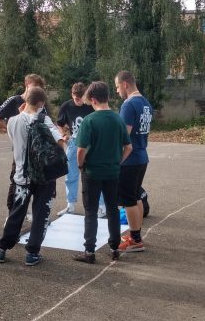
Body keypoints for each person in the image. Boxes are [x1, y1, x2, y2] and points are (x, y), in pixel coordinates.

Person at [0, 87, 64, 266]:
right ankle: (32, 253)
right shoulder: (45, 120)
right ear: (42, 103)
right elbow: (60, 142)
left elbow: (14, 142)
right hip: (44, 177)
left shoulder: (13, 121)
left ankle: (2, 249)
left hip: (22, 175)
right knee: (41, 214)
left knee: (17, 212)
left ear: (25, 101)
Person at [73, 81, 132, 263]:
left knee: (90, 212)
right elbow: (128, 147)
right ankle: (114, 247)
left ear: (92, 100)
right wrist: (118, 161)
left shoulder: (90, 120)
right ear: (107, 97)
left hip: (92, 172)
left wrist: (80, 165)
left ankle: (89, 251)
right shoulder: (117, 119)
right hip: (113, 172)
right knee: (112, 209)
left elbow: (81, 150)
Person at [0, 74, 48, 219]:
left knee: (34, 180)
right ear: (27, 84)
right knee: (16, 180)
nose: (37, 90)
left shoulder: (40, 104)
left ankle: (28, 210)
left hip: (36, 151)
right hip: (20, 149)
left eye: (39, 88)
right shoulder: (15, 100)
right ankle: (12, 213)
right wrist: (10, 129)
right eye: (35, 87)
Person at [114, 70, 153, 253]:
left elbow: (124, 136)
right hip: (142, 157)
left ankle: (136, 240)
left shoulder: (129, 105)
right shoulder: (145, 103)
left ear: (125, 84)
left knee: (128, 200)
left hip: (129, 160)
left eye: (116, 86)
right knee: (135, 196)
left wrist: (115, 158)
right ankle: (135, 235)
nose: (116, 91)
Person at [56, 82, 106, 218]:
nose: (78, 101)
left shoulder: (91, 106)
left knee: (95, 174)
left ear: (85, 96)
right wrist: (63, 134)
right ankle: (70, 205)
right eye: (75, 98)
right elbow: (59, 123)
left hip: (90, 144)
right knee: (71, 174)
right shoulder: (66, 106)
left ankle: (102, 207)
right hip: (74, 142)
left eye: (80, 98)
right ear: (72, 95)